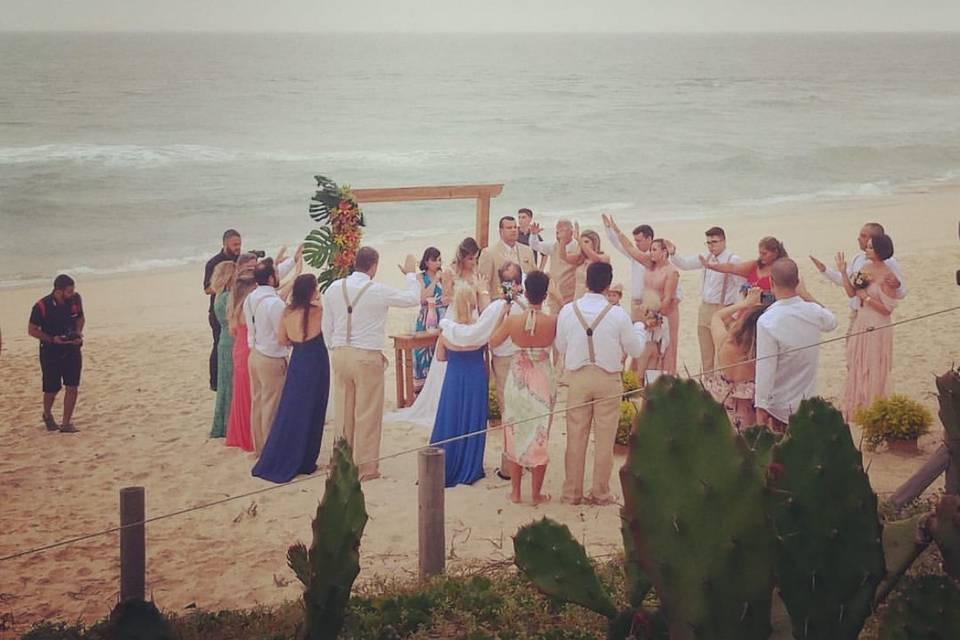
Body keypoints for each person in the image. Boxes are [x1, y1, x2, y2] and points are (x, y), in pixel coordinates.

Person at [323, 247, 421, 481]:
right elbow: (412, 299)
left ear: (355, 263)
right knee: (367, 412)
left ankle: (341, 461)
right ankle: (366, 468)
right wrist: (409, 275)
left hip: (340, 353)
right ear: (374, 266)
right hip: (365, 355)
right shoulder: (377, 290)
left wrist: (334, 346)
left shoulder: (334, 288)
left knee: (344, 409)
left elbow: (327, 325)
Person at [556, 262, 647, 505]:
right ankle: (600, 492)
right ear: (608, 285)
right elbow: (635, 348)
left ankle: (572, 492)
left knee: (575, 436)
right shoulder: (618, 314)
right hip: (607, 378)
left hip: (578, 376)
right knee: (605, 439)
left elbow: (560, 346)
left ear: (587, 281)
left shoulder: (568, 310)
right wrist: (639, 326)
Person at [252, 274, 330, 483]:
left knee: (292, 407)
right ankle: (306, 460)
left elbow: (282, 339)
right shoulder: (319, 312)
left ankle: (283, 453)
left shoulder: (287, 312)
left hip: (298, 360)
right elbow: (329, 334)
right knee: (314, 409)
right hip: (317, 361)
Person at [489, 271, 557, 504]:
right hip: (541, 376)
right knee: (539, 433)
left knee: (515, 430)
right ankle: (535, 494)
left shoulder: (513, 321)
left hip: (518, 375)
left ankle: (516, 491)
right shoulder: (551, 322)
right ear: (545, 294)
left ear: (525, 293)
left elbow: (493, 341)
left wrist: (503, 315)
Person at [755, 259, 838, 430]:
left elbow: (766, 365)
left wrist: (760, 405)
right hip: (807, 402)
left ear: (771, 282)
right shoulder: (813, 311)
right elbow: (831, 321)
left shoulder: (767, 320)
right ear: (798, 282)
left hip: (779, 406)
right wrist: (807, 296)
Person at [429, 283, 490, 488]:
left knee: (451, 418)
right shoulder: (479, 330)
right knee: (473, 419)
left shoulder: (448, 330)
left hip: (455, 378)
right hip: (475, 377)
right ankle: (470, 467)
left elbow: (440, 356)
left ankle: (446, 464)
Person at [836, 234, 899, 423]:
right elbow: (851, 292)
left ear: (879, 250)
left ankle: (874, 406)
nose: (866, 250)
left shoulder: (888, 275)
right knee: (857, 360)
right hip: (862, 321)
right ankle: (859, 405)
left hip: (878, 323)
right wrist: (843, 273)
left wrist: (867, 298)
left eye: (870, 247)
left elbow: (887, 309)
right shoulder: (864, 268)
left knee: (873, 363)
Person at [666, 227, 745, 372]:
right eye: (708, 243)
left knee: (722, 353)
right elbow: (686, 264)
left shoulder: (732, 259)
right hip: (705, 308)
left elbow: (741, 288)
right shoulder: (705, 256)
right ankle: (708, 385)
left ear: (723, 241)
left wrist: (734, 315)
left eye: (714, 242)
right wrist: (673, 253)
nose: (711, 246)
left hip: (723, 309)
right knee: (706, 352)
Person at [809, 221, 906, 327]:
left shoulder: (889, 263)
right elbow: (847, 283)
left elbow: (901, 294)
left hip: (877, 316)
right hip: (857, 313)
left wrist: (897, 285)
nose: (858, 238)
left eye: (863, 236)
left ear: (873, 240)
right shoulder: (858, 258)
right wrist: (825, 270)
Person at [704, 288, 771, 430]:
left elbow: (716, 317)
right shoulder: (759, 354)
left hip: (721, 409)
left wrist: (745, 303)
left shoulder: (724, 341)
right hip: (748, 416)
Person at [27, 274, 85, 433]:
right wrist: (52, 339)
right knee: (52, 388)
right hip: (50, 350)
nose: (72, 294)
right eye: (69, 291)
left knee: (72, 385)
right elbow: (31, 330)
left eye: (73, 290)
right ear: (58, 291)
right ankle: (47, 414)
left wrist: (78, 333)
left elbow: (80, 318)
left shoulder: (75, 299)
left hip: (72, 348)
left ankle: (66, 423)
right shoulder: (41, 306)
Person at [243, 259, 289, 456]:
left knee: (258, 403)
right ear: (271, 278)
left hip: (254, 353)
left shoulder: (250, 298)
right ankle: (271, 450)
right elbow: (282, 334)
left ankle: (259, 446)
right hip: (271, 357)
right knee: (271, 405)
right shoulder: (274, 303)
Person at [204, 229, 242, 391]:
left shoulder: (240, 259)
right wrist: (223, 282)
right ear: (225, 243)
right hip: (218, 310)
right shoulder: (214, 262)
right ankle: (215, 381)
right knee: (219, 343)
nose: (238, 247)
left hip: (235, 308)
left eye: (239, 244)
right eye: (235, 245)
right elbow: (206, 289)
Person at [225, 274, 258, 451]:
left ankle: (241, 433)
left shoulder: (234, 308)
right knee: (247, 393)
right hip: (246, 350)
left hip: (239, 348)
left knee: (241, 392)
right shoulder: (245, 308)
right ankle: (248, 435)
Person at [602, 215, 655, 321]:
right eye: (635, 241)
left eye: (639, 241)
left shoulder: (656, 257)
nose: (636, 244)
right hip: (635, 302)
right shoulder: (634, 255)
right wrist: (609, 229)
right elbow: (618, 244)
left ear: (649, 239)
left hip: (651, 304)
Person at [642, 239, 681, 375]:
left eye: (654, 249)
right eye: (650, 250)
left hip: (666, 314)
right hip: (649, 312)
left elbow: (668, 297)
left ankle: (666, 377)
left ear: (664, 252)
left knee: (666, 347)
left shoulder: (671, 272)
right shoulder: (650, 268)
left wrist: (657, 315)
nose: (651, 253)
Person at [412, 247, 448, 393]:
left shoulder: (445, 276)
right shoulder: (420, 277)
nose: (437, 263)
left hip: (442, 315)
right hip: (427, 315)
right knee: (422, 350)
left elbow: (447, 295)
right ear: (427, 261)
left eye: (439, 260)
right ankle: (421, 387)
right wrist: (434, 281)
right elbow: (423, 297)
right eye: (434, 260)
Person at [208, 261, 237, 438]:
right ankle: (228, 424)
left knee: (226, 383)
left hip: (224, 340)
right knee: (230, 384)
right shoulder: (227, 297)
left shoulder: (219, 295)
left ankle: (224, 424)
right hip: (231, 340)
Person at [478, 216, 538, 297]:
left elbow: (534, 277)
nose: (513, 230)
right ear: (500, 231)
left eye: (515, 227)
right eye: (509, 228)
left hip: (525, 301)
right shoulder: (489, 253)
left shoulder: (527, 250)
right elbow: (483, 284)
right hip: (500, 301)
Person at [529, 219, 580, 313]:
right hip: (554, 295)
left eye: (562, 232)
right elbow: (535, 245)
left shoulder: (578, 247)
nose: (558, 236)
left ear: (571, 232)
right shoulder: (553, 246)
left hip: (571, 295)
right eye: (557, 232)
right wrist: (533, 234)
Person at [569, 226, 611, 299]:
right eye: (582, 242)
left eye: (586, 242)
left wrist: (579, 240)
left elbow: (596, 259)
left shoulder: (604, 257)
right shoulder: (580, 259)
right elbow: (563, 257)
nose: (583, 244)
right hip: (578, 297)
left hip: (595, 298)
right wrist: (562, 240)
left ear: (594, 243)